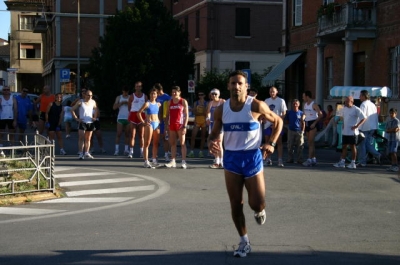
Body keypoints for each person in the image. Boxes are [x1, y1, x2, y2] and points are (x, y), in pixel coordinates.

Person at [208, 70, 283, 258]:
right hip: (231, 158)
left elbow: (279, 121)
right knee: (236, 204)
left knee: (257, 204)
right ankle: (244, 242)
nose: (236, 86)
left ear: (246, 86)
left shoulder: (256, 105)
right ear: (228, 86)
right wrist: (212, 142)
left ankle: (259, 211)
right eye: (233, 83)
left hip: (252, 157)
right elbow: (214, 133)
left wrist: (271, 143)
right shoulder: (221, 109)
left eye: (240, 83)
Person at [333, 96, 366, 169]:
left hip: (353, 132)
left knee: (352, 146)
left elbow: (364, 118)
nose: (345, 103)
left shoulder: (356, 109)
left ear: (351, 101)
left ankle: (353, 162)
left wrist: (357, 126)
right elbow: (339, 117)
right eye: (345, 101)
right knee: (344, 146)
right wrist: (339, 122)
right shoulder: (343, 108)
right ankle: (342, 162)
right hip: (345, 131)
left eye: (347, 101)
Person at [165, 86, 189, 169]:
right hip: (172, 125)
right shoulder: (169, 102)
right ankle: (173, 161)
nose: (174, 93)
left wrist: (185, 126)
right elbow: (167, 114)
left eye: (175, 92)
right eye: (172, 92)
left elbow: (186, 115)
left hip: (180, 125)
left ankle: (183, 161)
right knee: (173, 143)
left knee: (182, 143)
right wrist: (167, 124)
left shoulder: (183, 101)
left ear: (179, 92)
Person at [70, 89, 97, 159]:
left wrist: (95, 117)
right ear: (85, 95)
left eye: (91, 95)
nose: (90, 97)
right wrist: (76, 118)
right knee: (81, 137)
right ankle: (80, 153)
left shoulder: (93, 102)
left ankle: (87, 152)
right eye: (88, 95)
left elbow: (96, 109)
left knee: (88, 138)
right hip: (82, 122)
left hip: (90, 122)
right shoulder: (80, 102)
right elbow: (72, 109)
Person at [263, 86, 287, 167]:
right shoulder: (266, 100)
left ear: (277, 92)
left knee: (278, 142)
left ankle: (280, 159)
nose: (272, 93)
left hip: (277, 125)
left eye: (273, 91)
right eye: (270, 91)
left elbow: (284, 113)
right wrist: (264, 119)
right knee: (267, 142)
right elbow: (264, 112)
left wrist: (277, 123)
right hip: (267, 124)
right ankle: (268, 159)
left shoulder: (281, 101)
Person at [137, 88, 161, 168]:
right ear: (149, 95)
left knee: (156, 143)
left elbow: (157, 114)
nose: (153, 95)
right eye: (151, 94)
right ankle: (146, 161)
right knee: (147, 143)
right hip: (149, 124)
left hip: (156, 123)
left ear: (157, 95)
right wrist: (143, 122)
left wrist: (159, 120)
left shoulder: (158, 104)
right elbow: (139, 113)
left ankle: (154, 159)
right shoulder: (147, 104)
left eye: (154, 93)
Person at [357, 90, 382, 167]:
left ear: (364, 96)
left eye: (360, 95)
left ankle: (362, 161)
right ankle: (377, 154)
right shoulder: (372, 104)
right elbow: (375, 116)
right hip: (372, 126)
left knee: (362, 144)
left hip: (365, 127)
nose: (359, 97)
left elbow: (362, 116)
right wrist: (376, 126)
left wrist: (357, 126)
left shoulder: (363, 104)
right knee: (367, 143)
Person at [302, 90, 323, 167]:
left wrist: (314, 123)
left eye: (304, 96)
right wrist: (303, 118)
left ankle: (309, 159)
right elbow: (305, 114)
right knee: (311, 143)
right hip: (307, 123)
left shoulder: (314, 104)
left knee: (310, 143)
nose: (303, 98)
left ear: (307, 96)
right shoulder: (305, 105)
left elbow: (321, 115)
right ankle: (313, 159)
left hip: (313, 123)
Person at [127, 81, 147, 158]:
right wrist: (132, 113)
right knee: (132, 134)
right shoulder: (132, 96)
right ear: (135, 87)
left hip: (141, 115)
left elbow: (146, 106)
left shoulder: (144, 96)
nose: (138, 88)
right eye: (136, 86)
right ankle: (131, 151)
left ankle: (141, 152)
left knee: (141, 135)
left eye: (139, 86)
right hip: (133, 115)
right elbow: (129, 106)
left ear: (141, 87)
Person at [206, 88, 225, 168]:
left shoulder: (222, 102)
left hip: (220, 124)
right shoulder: (210, 103)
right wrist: (207, 119)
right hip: (212, 125)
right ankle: (216, 161)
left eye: (215, 94)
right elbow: (208, 112)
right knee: (214, 143)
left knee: (219, 143)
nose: (214, 96)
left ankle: (221, 161)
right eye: (212, 94)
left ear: (219, 95)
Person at [284, 99, 305, 164]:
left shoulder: (301, 113)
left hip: (299, 131)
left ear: (299, 105)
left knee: (300, 146)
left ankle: (299, 159)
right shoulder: (289, 112)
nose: (295, 105)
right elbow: (286, 121)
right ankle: (290, 159)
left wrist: (303, 131)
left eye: (296, 104)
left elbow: (303, 122)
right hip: (291, 130)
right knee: (290, 145)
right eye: (293, 104)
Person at [188, 91, 207, 158]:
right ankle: (191, 151)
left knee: (203, 137)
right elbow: (195, 112)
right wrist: (200, 112)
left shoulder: (206, 103)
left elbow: (206, 113)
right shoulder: (196, 103)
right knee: (193, 136)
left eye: (201, 95)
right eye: (199, 95)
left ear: (204, 95)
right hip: (197, 121)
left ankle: (201, 152)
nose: (200, 96)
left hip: (203, 121)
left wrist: (200, 112)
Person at [155, 83, 171, 162]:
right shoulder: (155, 96)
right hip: (156, 120)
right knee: (156, 139)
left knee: (165, 138)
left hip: (163, 121)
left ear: (159, 90)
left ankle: (166, 155)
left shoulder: (167, 97)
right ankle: (155, 155)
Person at [0, 86, 18, 157]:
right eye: (5, 90)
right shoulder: (0, 98)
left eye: (8, 90)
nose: (6, 91)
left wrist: (15, 120)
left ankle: (12, 149)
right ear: (3, 91)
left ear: (10, 91)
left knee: (12, 134)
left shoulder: (13, 99)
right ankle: (1, 150)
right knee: (1, 134)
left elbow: (16, 110)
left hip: (11, 118)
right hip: (2, 118)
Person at [113, 86, 131, 156]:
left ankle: (126, 150)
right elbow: (114, 107)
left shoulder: (130, 97)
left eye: (127, 92)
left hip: (128, 118)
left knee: (127, 134)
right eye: (124, 92)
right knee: (119, 134)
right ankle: (116, 150)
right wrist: (121, 103)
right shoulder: (119, 97)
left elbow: (133, 106)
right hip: (120, 118)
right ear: (122, 91)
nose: (125, 93)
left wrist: (128, 103)